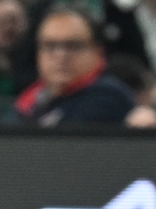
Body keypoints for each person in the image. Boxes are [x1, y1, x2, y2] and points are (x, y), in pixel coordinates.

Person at [4, 9, 134, 126]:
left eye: (72, 46)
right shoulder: (30, 99)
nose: (61, 55)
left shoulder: (108, 97)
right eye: (50, 46)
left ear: (98, 52)